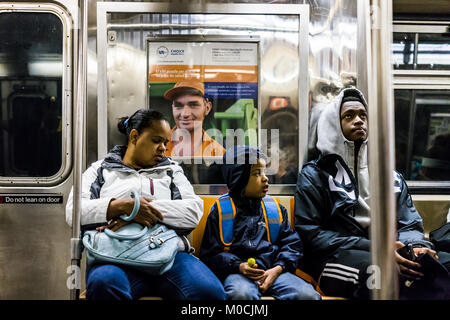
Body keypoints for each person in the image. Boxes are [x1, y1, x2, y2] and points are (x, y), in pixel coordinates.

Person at [294, 87, 440, 299]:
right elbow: (312, 234)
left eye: (364, 115)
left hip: (390, 250)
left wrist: (416, 247)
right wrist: (376, 248)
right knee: (380, 275)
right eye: (349, 116)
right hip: (335, 257)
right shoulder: (315, 176)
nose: (359, 120)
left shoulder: (390, 177)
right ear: (334, 125)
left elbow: (409, 223)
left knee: (440, 264)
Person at [65, 109, 226, 300]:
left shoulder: (171, 170)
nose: (163, 148)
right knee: (104, 284)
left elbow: (192, 212)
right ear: (134, 136)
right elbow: (74, 212)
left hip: (170, 256)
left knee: (209, 293)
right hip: (115, 256)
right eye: (157, 140)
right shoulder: (100, 170)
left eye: (165, 143)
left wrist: (138, 212)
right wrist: (124, 206)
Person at [199, 145, 321, 300]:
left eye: (265, 171)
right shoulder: (221, 212)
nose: (265, 178)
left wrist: (278, 268)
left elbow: (292, 245)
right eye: (257, 173)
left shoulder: (275, 210)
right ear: (239, 180)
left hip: (275, 271)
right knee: (240, 294)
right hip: (238, 273)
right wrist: (238, 266)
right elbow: (210, 255)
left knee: (307, 295)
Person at [164, 81, 226, 157]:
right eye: (178, 105)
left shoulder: (218, 154)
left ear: (207, 108)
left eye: (193, 105)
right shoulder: (156, 147)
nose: (185, 114)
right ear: (172, 108)